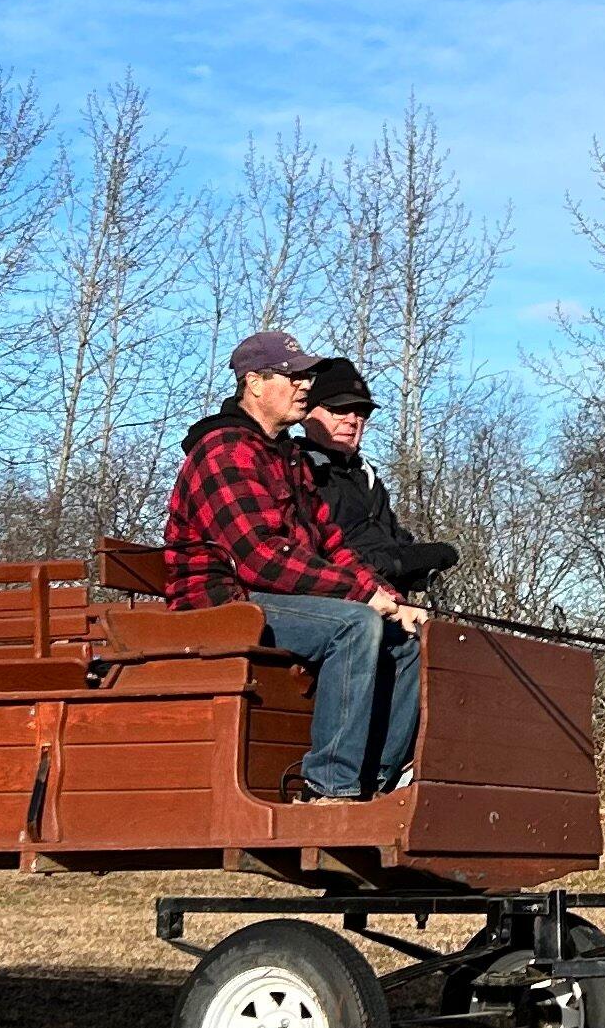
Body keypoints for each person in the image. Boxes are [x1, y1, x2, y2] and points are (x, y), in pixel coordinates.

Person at [158, 328, 423, 802]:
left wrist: (392, 600)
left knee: (405, 641)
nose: (305, 386)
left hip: (271, 600)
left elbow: (334, 546)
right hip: (223, 606)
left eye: (306, 377)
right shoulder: (224, 450)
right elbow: (260, 559)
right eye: (292, 376)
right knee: (356, 625)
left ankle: (375, 786)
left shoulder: (289, 458)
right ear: (255, 383)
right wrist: (363, 596)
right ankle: (330, 788)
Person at [293, 356, 463, 601]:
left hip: (388, 598)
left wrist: (419, 566)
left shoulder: (366, 476)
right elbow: (322, 552)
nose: (352, 420)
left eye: (361, 412)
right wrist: (403, 561)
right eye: (338, 409)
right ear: (307, 415)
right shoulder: (299, 469)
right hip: (337, 601)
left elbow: (392, 539)